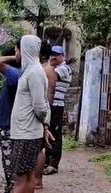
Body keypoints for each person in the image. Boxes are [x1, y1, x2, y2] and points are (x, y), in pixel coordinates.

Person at [0, 35, 53, 193]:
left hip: (27, 133)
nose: (16, 53)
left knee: (22, 178)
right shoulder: (30, 71)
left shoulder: (34, 73)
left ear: (25, 49)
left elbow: (40, 105)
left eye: (18, 49)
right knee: (27, 177)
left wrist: (44, 121)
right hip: (25, 132)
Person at [0, 41, 22, 193]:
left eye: (17, 50)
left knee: (10, 159)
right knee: (8, 159)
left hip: (8, 123)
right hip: (7, 122)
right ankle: (10, 189)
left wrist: (16, 57)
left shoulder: (16, 74)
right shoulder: (18, 74)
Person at [43, 45, 73, 175]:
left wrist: (47, 64)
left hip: (56, 106)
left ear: (63, 56)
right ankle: (47, 161)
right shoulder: (56, 67)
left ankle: (54, 163)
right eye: (51, 54)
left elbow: (50, 76)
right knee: (48, 132)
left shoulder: (64, 69)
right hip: (51, 105)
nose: (53, 57)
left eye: (56, 54)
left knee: (55, 134)